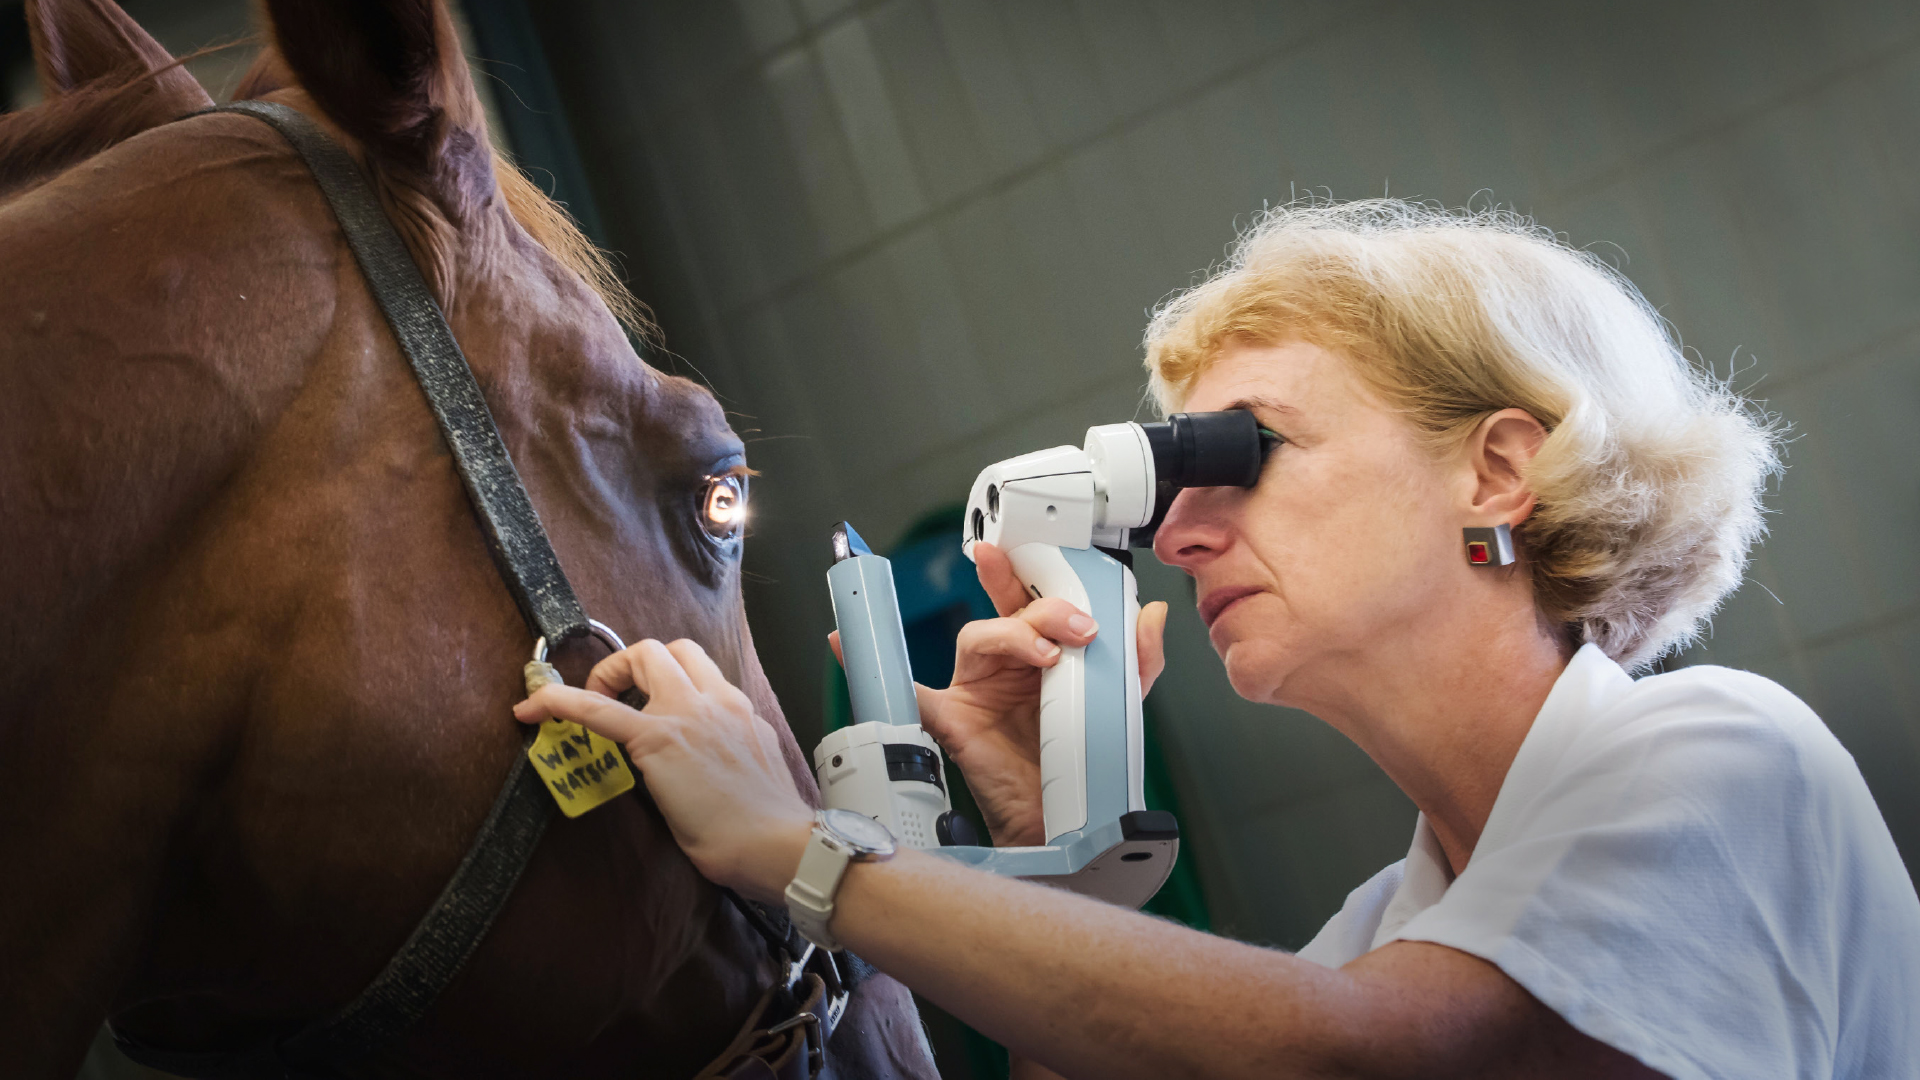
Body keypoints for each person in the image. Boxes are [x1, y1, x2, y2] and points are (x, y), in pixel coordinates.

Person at [517, 200, 1920, 1079]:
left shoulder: (1729, 759)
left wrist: (795, 849)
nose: (1177, 534)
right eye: (1171, 490)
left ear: (1498, 470)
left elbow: (1384, 1057)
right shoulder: (1381, 937)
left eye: (1249, 452)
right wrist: (1053, 862)